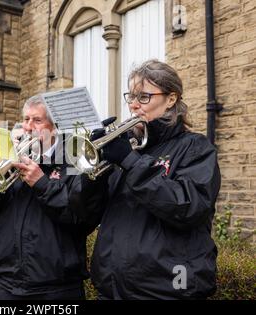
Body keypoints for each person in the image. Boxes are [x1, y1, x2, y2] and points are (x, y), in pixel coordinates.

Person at [89, 59, 221, 299]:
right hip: (112, 289)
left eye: (144, 97)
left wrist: (130, 162)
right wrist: (94, 171)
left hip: (165, 290)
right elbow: (86, 213)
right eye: (131, 97)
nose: (134, 106)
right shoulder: (131, 149)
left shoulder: (195, 147)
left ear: (171, 99)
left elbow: (189, 207)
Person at [0, 95, 105, 300]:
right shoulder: (11, 158)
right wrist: (0, 172)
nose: (28, 127)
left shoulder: (75, 160)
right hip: (6, 283)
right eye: (26, 119)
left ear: (54, 127)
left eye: (37, 120)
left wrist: (41, 183)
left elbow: (80, 219)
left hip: (55, 287)